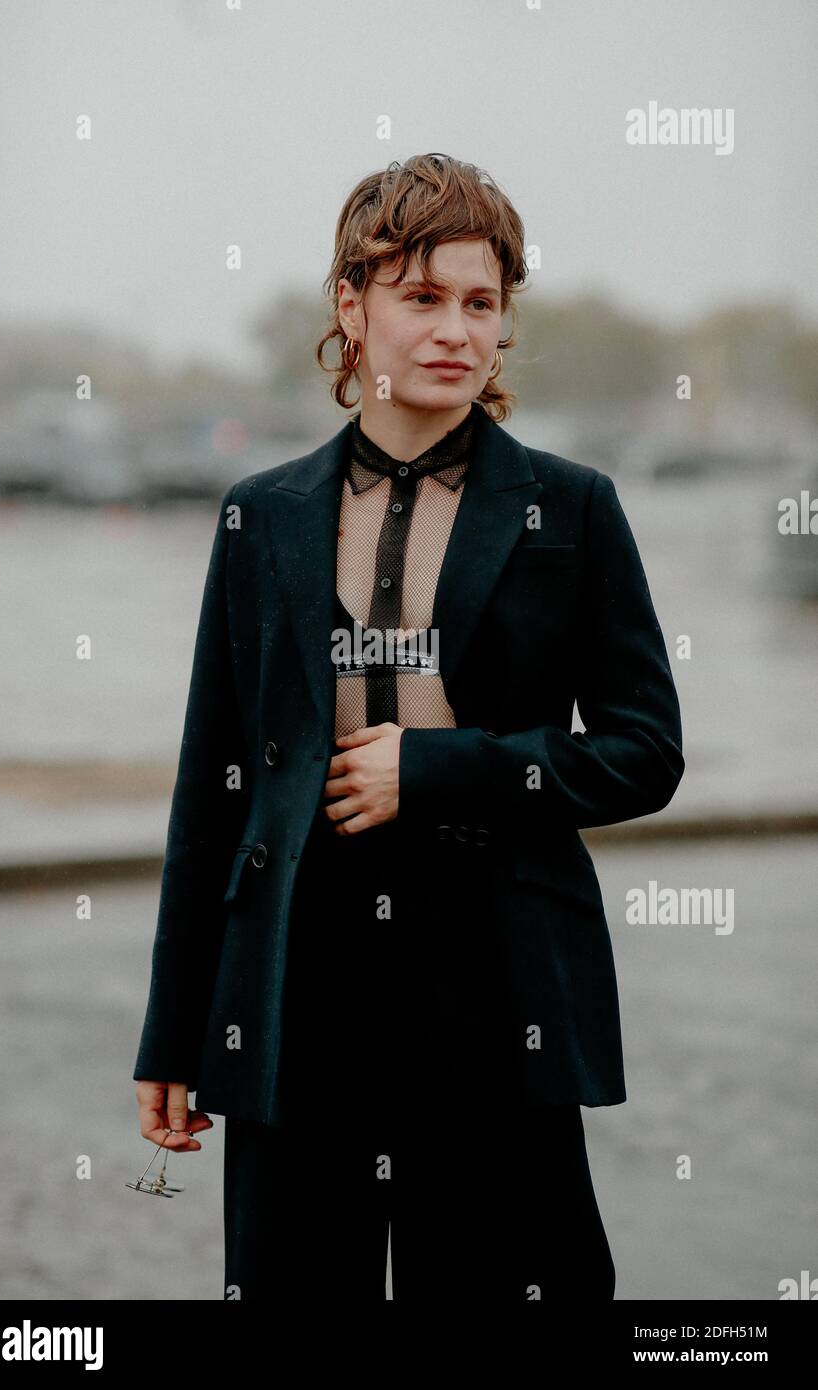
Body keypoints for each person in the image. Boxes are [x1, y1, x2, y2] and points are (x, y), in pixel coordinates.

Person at [133, 152, 685, 1302]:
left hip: (499, 993)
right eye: (420, 296)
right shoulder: (259, 516)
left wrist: (438, 769)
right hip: (296, 993)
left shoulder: (571, 508)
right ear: (351, 304)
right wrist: (174, 1034)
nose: (454, 330)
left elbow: (642, 750)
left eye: (479, 302)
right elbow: (212, 790)